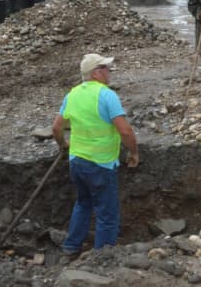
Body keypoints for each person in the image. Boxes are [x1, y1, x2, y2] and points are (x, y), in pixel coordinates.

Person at [51, 53, 139, 255]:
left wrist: (64, 145)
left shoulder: (72, 94)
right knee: (107, 214)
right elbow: (125, 131)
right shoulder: (107, 95)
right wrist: (134, 152)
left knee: (83, 203)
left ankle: (71, 247)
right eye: (106, 68)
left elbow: (56, 128)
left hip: (77, 161)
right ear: (96, 73)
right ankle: (102, 258)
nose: (110, 72)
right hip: (100, 163)